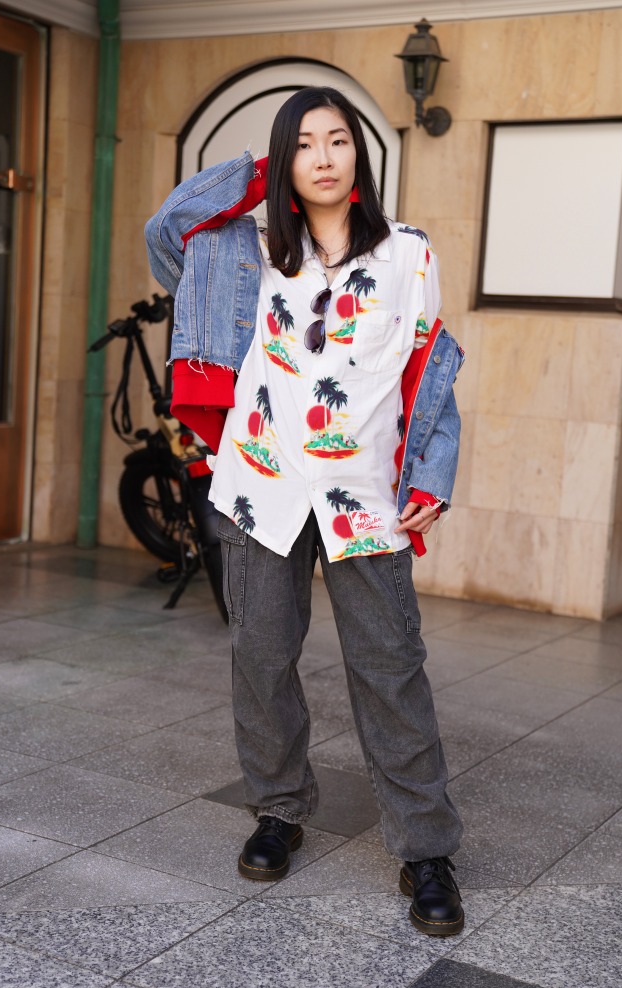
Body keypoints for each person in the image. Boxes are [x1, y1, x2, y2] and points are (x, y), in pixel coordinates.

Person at [145, 86, 465, 936]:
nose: (324, 158)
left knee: (389, 668)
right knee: (261, 659)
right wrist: (258, 175)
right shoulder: (240, 253)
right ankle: (278, 809)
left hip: (365, 499)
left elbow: (432, 367)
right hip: (262, 486)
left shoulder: (406, 254)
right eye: (304, 144)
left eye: (338, 140)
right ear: (284, 161)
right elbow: (164, 229)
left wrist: (431, 477)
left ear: (361, 154)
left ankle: (426, 849)